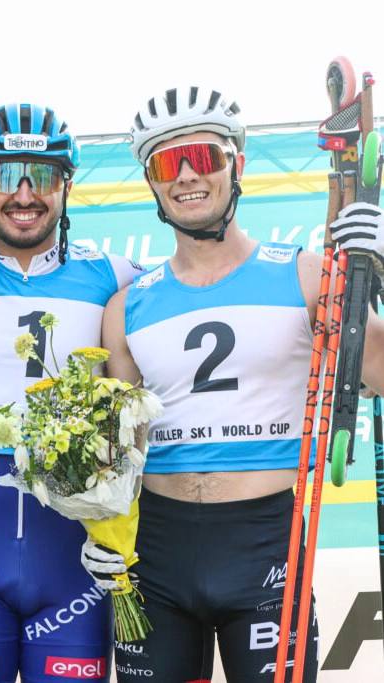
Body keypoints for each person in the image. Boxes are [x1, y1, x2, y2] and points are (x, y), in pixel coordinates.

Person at [82, 86, 384, 682]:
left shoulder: (308, 276)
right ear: (151, 183)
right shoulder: (125, 308)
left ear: (236, 164)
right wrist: (99, 525)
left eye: (204, 156)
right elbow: (119, 454)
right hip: (155, 553)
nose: (187, 176)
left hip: (266, 544)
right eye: (168, 163)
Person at [0, 103, 144, 683]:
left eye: (43, 176)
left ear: (67, 185)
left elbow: (206, 286)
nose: (25, 193)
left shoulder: (116, 276)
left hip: (76, 577)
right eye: (6, 175)